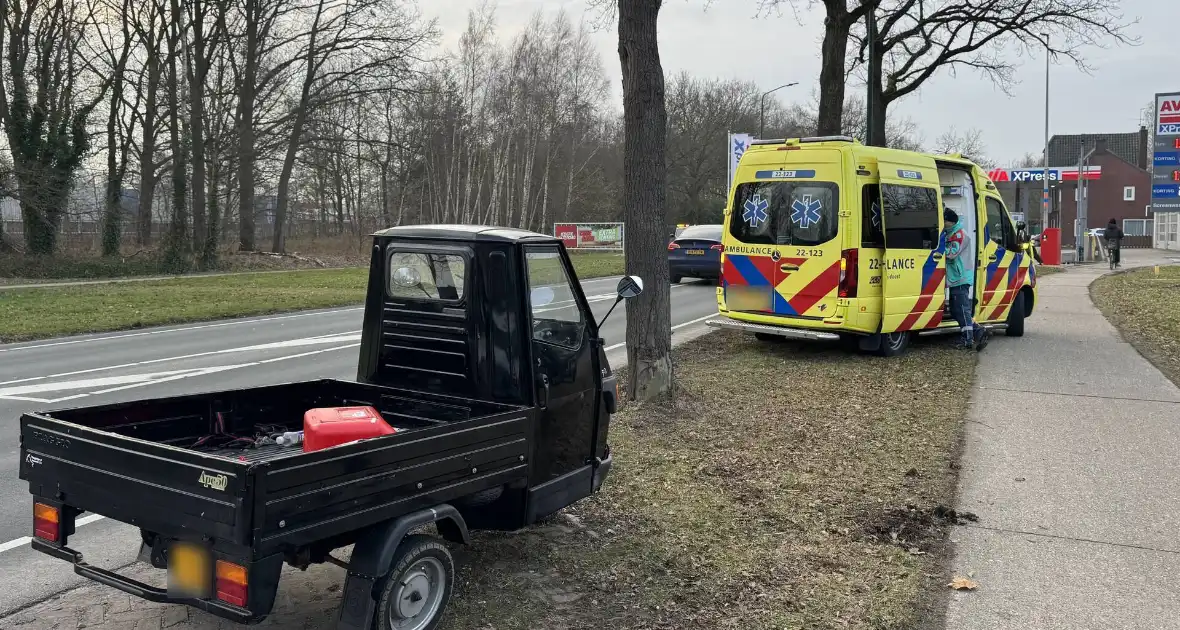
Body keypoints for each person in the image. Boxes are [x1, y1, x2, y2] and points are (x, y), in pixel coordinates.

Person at [944, 208, 988, 351]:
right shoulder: (951, 233)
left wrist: (938, 250)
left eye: (944, 221)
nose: (942, 223)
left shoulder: (959, 235)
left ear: (950, 221)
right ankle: (979, 331)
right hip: (956, 278)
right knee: (956, 311)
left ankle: (967, 340)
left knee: (962, 310)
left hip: (961, 277)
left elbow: (952, 253)